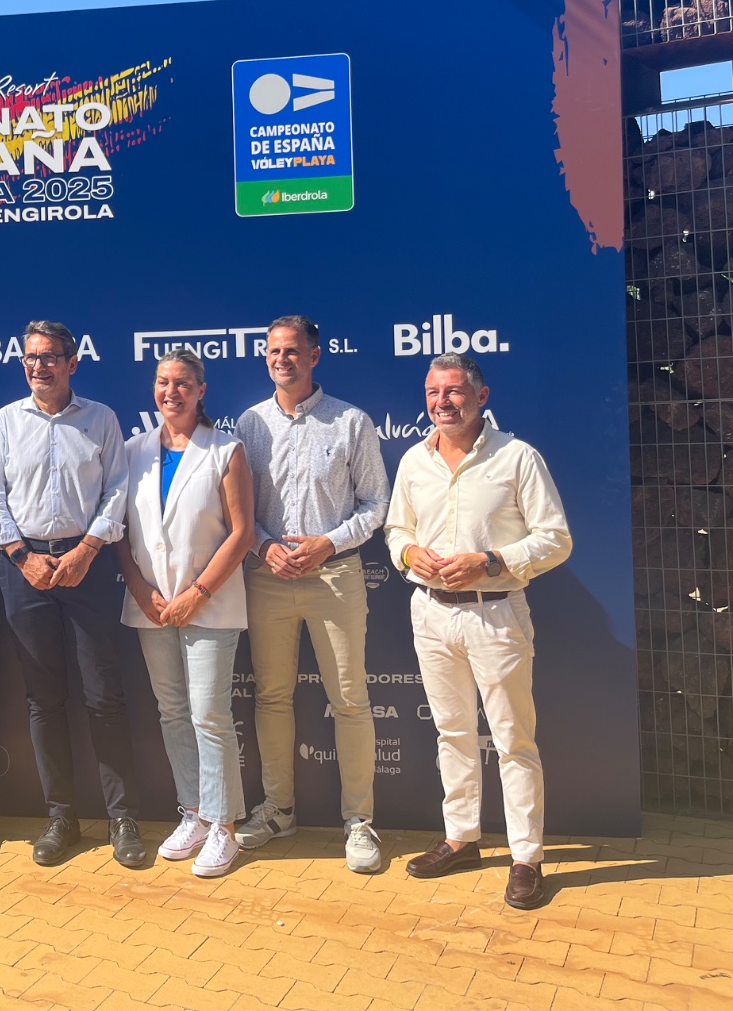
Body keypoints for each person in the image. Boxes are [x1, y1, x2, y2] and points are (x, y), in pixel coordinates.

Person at [385, 353, 572, 910]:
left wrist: (490, 561)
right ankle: (461, 838)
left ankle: (526, 857)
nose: (442, 402)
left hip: (496, 613)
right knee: (452, 732)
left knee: (513, 739)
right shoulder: (413, 461)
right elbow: (396, 529)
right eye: (433, 392)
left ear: (481, 397)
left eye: (454, 391)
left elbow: (555, 539)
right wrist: (409, 553)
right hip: (431, 614)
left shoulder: (517, 457)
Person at [0, 320, 144, 868]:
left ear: (72, 363)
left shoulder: (101, 418)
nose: (39, 366)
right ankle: (61, 817)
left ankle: (122, 817)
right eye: (30, 357)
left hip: (87, 567)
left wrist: (87, 550)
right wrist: (20, 557)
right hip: (24, 569)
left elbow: (117, 490)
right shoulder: (6, 421)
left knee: (103, 696)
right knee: (43, 699)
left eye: (50, 357)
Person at [234, 315, 390, 874]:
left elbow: (376, 503)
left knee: (349, 701)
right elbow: (238, 508)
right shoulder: (250, 424)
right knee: (271, 697)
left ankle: (359, 821)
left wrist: (328, 543)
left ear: (315, 355)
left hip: (335, 577)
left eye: (293, 351)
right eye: (274, 351)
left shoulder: (351, 421)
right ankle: (278, 811)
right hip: (267, 578)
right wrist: (263, 546)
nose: (283, 359)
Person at [116, 348, 255, 878]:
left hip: (210, 605)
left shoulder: (226, 449)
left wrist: (198, 592)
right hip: (151, 606)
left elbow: (242, 533)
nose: (170, 392)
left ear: (201, 390)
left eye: (181, 383)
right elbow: (119, 532)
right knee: (173, 712)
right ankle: (194, 813)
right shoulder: (132, 451)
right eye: (162, 382)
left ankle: (225, 827)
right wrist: (141, 590)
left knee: (209, 715)